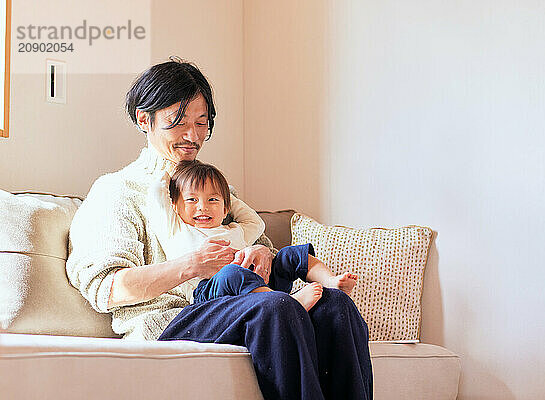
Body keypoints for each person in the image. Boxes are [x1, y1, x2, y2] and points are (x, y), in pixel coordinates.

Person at [66, 58, 373, 400]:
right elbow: (105, 288)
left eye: (202, 123)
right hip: (168, 321)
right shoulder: (117, 190)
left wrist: (262, 253)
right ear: (144, 119)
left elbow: (262, 248)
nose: (192, 136)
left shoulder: (213, 189)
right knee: (275, 308)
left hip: (235, 304)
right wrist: (190, 266)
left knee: (335, 306)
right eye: (177, 122)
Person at [147, 159, 358, 311]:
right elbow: (157, 191)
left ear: (226, 207)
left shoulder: (237, 230)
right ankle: (288, 305)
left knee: (290, 255)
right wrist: (172, 169)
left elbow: (257, 222)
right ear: (176, 205)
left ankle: (330, 280)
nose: (202, 207)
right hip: (209, 293)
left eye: (213, 200)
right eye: (192, 200)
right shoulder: (177, 229)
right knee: (232, 273)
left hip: (257, 284)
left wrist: (227, 198)